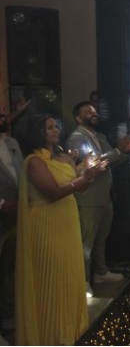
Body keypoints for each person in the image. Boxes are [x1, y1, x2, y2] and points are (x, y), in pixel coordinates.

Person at [16, 114, 106, 345]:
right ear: (37, 132)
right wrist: (85, 176)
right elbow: (54, 192)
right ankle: (53, 336)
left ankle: (72, 331)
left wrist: (91, 173)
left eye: (56, 126)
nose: (56, 130)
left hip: (67, 222)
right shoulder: (34, 162)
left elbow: (80, 188)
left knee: (69, 275)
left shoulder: (62, 157)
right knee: (52, 279)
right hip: (47, 225)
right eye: (49, 127)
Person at [67, 102, 130, 297]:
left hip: (105, 196)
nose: (94, 113)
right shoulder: (76, 137)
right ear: (78, 118)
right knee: (87, 243)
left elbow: (111, 161)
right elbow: (92, 163)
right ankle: (82, 281)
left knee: (101, 239)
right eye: (88, 112)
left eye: (94, 111)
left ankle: (100, 273)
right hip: (89, 198)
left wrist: (125, 150)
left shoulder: (99, 136)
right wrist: (118, 150)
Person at [0, 114, 23, 335]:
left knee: (10, 269)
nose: (2, 116)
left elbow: (21, 175)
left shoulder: (11, 143)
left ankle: (9, 316)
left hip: (16, 215)